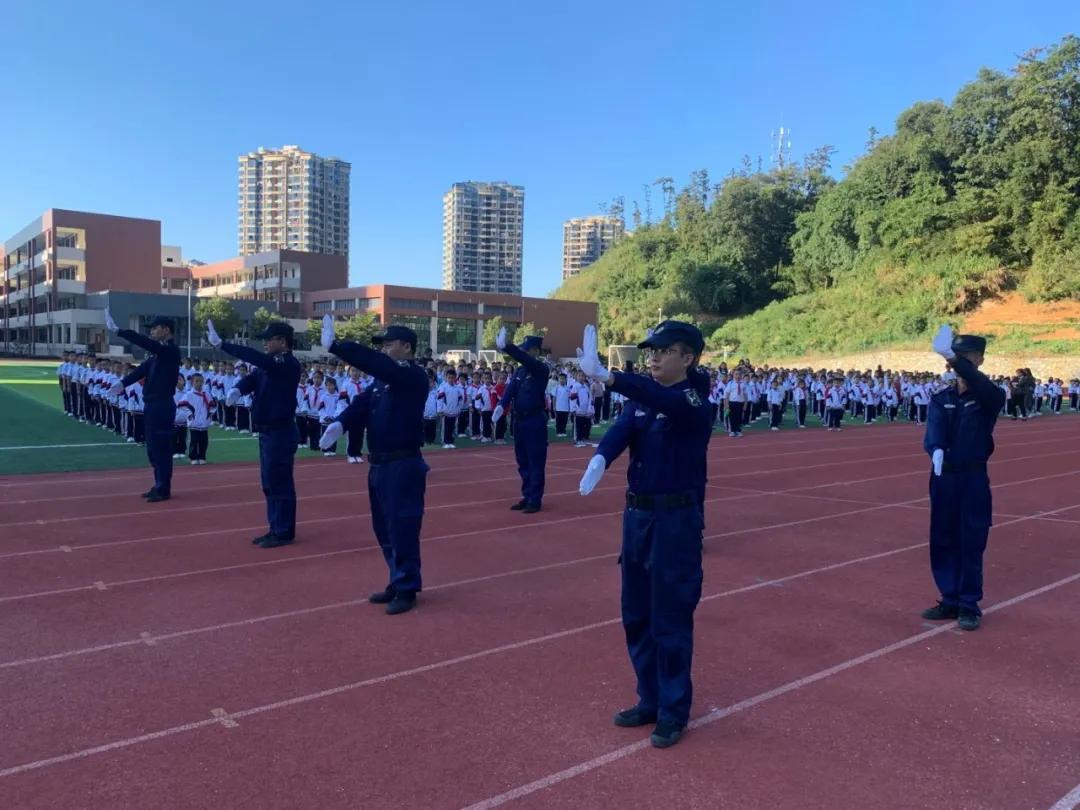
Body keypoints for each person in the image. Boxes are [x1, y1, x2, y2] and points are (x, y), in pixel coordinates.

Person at [577, 321, 713, 749]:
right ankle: (649, 698)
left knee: (669, 618)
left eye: (663, 350)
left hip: (675, 522)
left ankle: (673, 711)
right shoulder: (643, 400)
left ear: (688, 358)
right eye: (650, 350)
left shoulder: (692, 401)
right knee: (636, 614)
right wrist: (600, 457)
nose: (652, 356)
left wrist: (612, 377)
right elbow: (624, 427)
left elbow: (655, 399)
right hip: (636, 519)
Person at [318, 317, 429, 616]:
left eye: (388, 344)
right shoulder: (385, 379)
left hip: (402, 464)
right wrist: (341, 423)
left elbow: (381, 367)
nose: (383, 350)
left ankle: (407, 587)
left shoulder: (412, 376)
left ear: (407, 347)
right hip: (379, 464)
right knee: (383, 528)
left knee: (402, 525)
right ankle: (396, 578)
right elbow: (362, 404)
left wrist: (338, 347)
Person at [922, 326, 1006, 632]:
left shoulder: (989, 396)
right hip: (944, 477)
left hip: (972, 477)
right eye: (954, 357)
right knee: (942, 537)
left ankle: (969, 604)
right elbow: (933, 431)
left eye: (964, 357)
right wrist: (935, 450)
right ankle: (950, 598)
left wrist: (953, 358)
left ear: (980, 360)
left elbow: (979, 385)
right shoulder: (941, 397)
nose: (956, 363)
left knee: (970, 539)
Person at [208, 318, 302, 548]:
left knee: (279, 481)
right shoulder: (270, 363)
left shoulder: (287, 363)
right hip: (267, 431)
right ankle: (275, 526)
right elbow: (253, 377)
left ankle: (283, 531)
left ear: (282, 341)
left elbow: (257, 360)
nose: (266, 344)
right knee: (269, 482)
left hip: (280, 430)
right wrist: (238, 389)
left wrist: (223, 345)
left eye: (269, 340)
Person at [106, 312, 181, 502]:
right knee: (152, 448)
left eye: (155, 328)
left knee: (161, 448)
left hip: (162, 405)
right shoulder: (157, 354)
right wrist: (123, 383)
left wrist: (120, 331)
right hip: (151, 405)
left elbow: (147, 344)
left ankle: (164, 487)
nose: (152, 332)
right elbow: (142, 369)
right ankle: (159, 483)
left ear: (166, 329)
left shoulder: (170, 351)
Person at [492, 329, 550, 513]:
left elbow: (525, 359)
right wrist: (502, 405)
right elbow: (510, 390)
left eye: (528, 349)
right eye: (523, 349)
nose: (524, 352)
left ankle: (535, 499)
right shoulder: (520, 371)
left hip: (535, 421)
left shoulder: (541, 369)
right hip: (519, 421)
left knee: (535, 461)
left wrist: (508, 347)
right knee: (522, 460)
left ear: (536, 351)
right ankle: (527, 495)